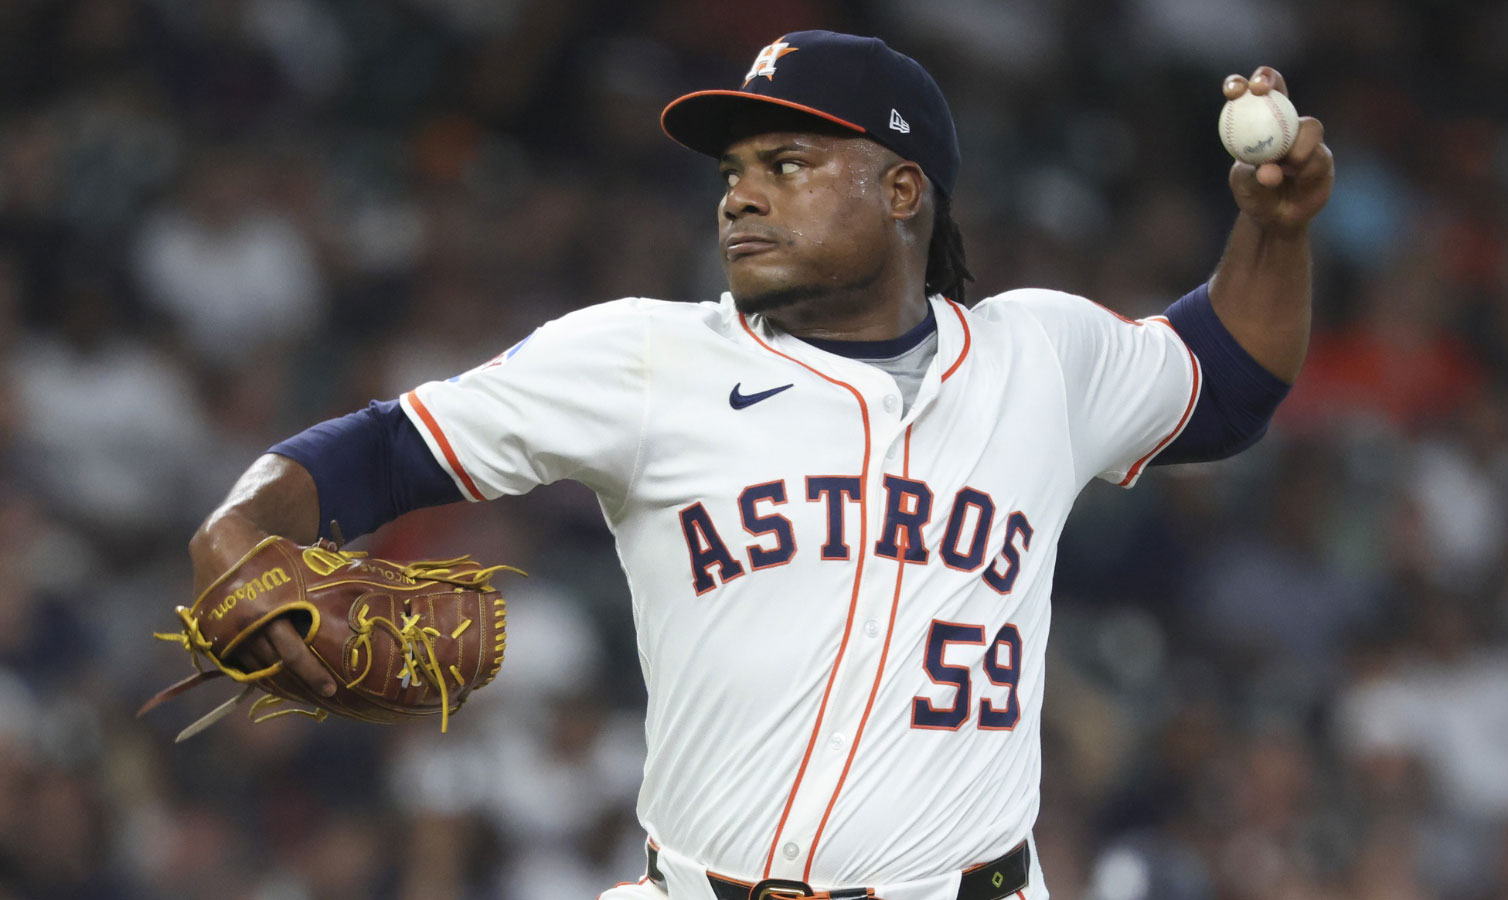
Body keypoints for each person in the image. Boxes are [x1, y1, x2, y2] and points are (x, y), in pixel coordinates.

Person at [186, 30, 1332, 900]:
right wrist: (235, 531)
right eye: (735, 169)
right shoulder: (646, 356)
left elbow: (1224, 382)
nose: (738, 192)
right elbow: (385, 447)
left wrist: (1272, 231)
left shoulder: (1041, 355)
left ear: (901, 191)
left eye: (786, 162)